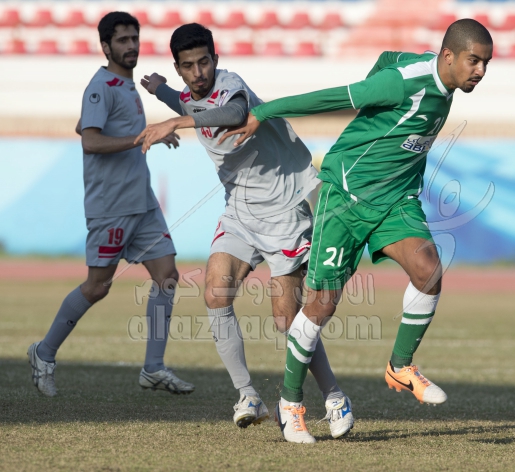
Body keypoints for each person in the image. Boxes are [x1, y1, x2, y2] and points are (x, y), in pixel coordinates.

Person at [219, 19, 494, 443]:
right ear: (448, 56)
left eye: (486, 63)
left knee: (429, 270)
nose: (480, 71)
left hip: (395, 200)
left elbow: (387, 57)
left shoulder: (443, 81)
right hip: (346, 197)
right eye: (474, 61)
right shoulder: (403, 84)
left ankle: (400, 366)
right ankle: (290, 404)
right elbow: (333, 97)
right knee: (321, 306)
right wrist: (263, 112)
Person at [134, 23, 353, 437]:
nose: (198, 72)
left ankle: (335, 396)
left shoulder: (231, 87)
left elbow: (232, 114)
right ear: (179, 68)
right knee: (215, 293)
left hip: (285, 210)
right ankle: (248, 394)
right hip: (239, 212)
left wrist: (175, 121)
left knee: (287, 320)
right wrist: (160, 89)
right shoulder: (188, 95)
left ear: (215, 59)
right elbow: (184, 98)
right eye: (188, 66)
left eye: (204, 62)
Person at [27, 12, 193, 398]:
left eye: (134, 38)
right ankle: (43, 353)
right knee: (97, 286)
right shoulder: (100, 86)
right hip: (111, 206)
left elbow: (86, 125)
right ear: (106, 46)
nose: (131, 46)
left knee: (167, 276)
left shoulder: (126, 84)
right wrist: (143, 137)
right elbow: (89, 141)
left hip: (142, 203)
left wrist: (143, 134)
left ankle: (153, 367)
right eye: (122, 40)